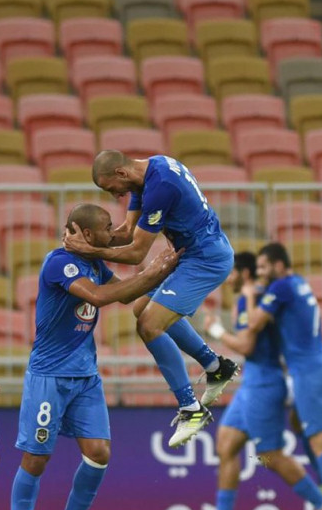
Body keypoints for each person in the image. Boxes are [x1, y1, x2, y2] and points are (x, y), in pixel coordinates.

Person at [8, 204, 180, 510]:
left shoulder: (96, 263)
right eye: (106, 227)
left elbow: (129, 293)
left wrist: (166, 272)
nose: (114, 231)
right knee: (36, 459)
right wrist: (155, 268)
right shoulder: (60, 263)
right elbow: (101, 297)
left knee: (99, 452)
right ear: (87, 234)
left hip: (85, 376)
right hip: (49, 376)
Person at [62, 151, 238, 448]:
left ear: (121, 173)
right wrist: (85, 241)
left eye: (111, 189)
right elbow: (127, 233)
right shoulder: (147, 173)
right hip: (196, 252)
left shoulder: (160, 185)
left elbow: (135, 253)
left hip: (205, 258)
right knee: (142, 308)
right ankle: (216, 367)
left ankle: (191, 409)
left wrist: (91, 252)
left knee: (149, 325)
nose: (115, 195)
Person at [189, 252, 322, 510]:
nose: (227, 279)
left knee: (271, 456)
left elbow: (246, 346)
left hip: (264, 385)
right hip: (252, 384)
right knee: (226, 444)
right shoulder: (256, 297)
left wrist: (216, 330)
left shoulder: (250, 299)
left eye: (232, 273)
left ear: (244, 273)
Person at [237, 243, 322, 510]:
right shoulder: (299, 282)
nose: (260, 274)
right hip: (319, 364)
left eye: (263, 267)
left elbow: (253, 323)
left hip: (309, 371)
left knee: (319, 439)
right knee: (298, 423)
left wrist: (249, 296)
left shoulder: (282, 287)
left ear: (277, 266)